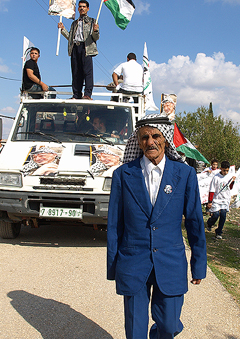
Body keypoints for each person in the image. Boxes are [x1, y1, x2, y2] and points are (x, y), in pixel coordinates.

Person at [107, 114, 207, 339]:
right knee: (134, 331)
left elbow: (194, 222)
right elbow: (114, 224)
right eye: (144, 137)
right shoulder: (123, 175)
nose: (150, 142)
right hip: (133, 262)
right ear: (138, 141)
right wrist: (113, 266)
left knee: (169, 326)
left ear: (166, 139)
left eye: (156, 136)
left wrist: (198, 265)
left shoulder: (185, 174)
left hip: (171, 263)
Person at [58, 0, 99, 99]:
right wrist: (62, 29)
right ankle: (76, 94)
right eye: (80, 6)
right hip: (75, 47)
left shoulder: (93, 21)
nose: (82, 8)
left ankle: (87, 94)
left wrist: (96, 30)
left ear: (87, 9)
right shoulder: (74, 23)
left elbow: (96, 37)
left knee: (87, 72)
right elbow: (70, 38)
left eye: (84, 6)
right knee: (76, 72)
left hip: (86, 47)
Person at [206, 160, 236, 239]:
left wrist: (232, 181)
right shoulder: (216, 177)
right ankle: (210, 223)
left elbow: (230, 187)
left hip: (225, 199)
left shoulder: (230, 176)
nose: (225, 172)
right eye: (224, 170)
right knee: (215, 215)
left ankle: (219, 232)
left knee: (223, 215)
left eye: (227, 170)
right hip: (216, 199)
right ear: (220, 169)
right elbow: (212, 190)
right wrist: (210, 201)